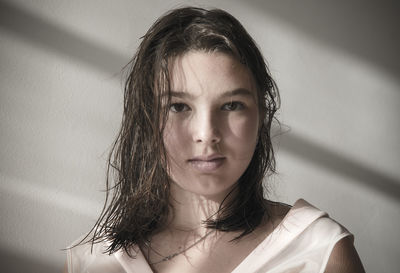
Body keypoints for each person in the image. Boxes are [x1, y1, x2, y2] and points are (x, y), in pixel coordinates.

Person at [63, 6, 365, 273]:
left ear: (262, 113)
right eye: (178, 106)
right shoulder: (91, 260)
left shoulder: (319, 251)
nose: (207, 133)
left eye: (231, 105)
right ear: (146, 118)